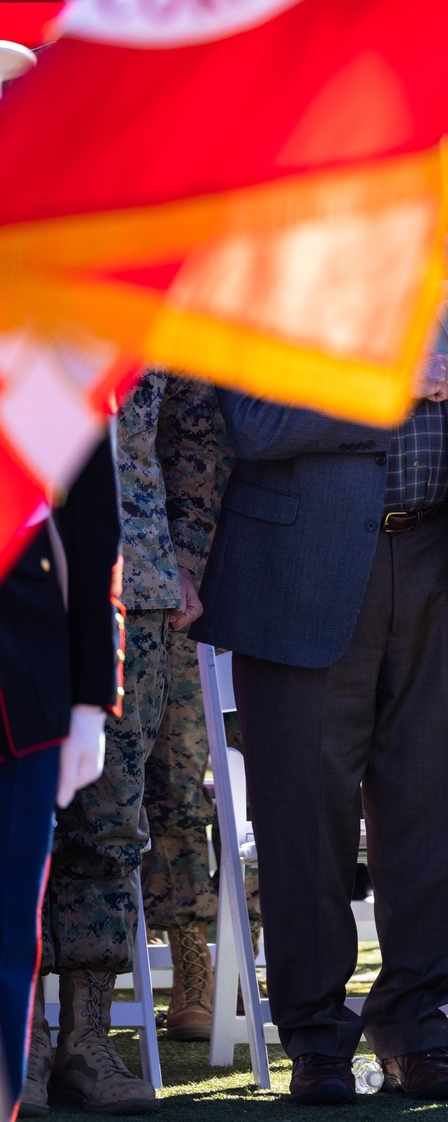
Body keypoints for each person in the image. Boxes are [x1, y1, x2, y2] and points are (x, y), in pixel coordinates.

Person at [191, 274, 448, 1105]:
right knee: (305, 819)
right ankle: (317, 1039)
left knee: (430, 812)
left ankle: (417, 1029)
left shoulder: (436, 257)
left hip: (432, 560)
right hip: (301, 573)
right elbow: (255, 422)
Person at [24, 373, 220, 1116]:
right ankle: (24, 1037)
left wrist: (186, 560)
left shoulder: (143, 293)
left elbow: (196, 437)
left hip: (132, 586)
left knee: (111, 824)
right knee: (19, 820)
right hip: (19, 579)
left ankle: (88, 1039)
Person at [0, 439, 120, 1122]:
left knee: (8, 924)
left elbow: (91, 523)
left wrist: (87, 699)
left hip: (21, 678)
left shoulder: (54, 342)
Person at [140, 394, 264, 1044]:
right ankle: (193, 959)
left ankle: (250, 951)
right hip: (177, 565)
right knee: (178, 770)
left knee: (279, 774)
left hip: (273, 556)